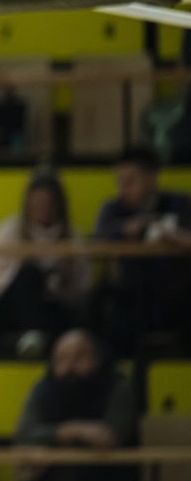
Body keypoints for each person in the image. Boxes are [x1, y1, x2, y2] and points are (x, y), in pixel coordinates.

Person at [0, 329, 142, 481]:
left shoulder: (117, 387)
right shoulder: (43, 391)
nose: (69, 367)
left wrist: (52, 438)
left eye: (79, 358)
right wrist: (73, 430)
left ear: (97, 359)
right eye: (62, 359)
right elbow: (25, 434)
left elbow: (111, 436)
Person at [0, 172, 90, 355]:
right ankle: (32, 337)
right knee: (30, 273)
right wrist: (25, 274)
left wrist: (63, 276)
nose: (43, 208)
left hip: (53, 306)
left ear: (59, 205)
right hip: (11, 309)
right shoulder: (9, 230)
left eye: (49, 203)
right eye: (37, 203)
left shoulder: (73, 236)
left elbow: (83, 290)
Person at [94, 145, 191, 354]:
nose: (123, 189)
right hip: (130, 293)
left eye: (130, 181)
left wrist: (178, 237)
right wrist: (125, 230)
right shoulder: (113, 209)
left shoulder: (179, 204)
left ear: (152, 178)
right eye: (119, 182)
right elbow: (100, 238)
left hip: (175, 293)